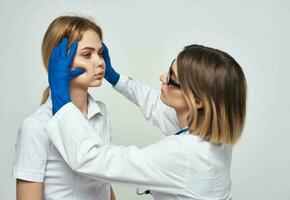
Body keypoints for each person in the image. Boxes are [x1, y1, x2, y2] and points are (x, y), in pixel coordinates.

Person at [45, 40, 247, 199]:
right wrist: (115, 78)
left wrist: (61, 99)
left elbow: (93, 160)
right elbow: (153, 103)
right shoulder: (213, 135)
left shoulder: (184, 154)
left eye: (171, 77)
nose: (162, 77)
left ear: (197, 100)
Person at [12, 15, 115, 200]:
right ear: (58, 61)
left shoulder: (100, 113)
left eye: (100, 53)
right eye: (86, 54)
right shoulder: (37, 125)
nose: (100, 62)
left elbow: (103, 184)